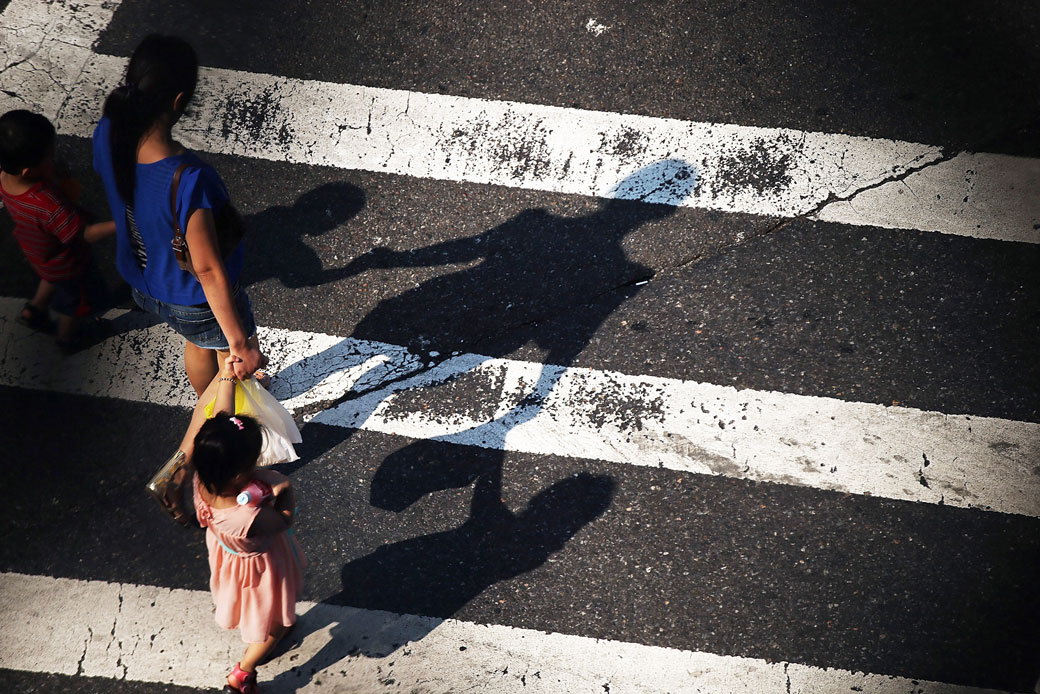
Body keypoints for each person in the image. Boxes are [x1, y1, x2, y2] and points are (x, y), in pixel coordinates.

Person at [92, 34, 267, 395]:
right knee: (221, 352)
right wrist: (239, 344)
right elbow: (205, 267)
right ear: (178, 101)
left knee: (199, 340)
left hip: (144, 282)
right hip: (191, 295)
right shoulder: (187, 179)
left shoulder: (108, 131)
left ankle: (205, 401)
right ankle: (225, 414)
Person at [192, 356, 304, 693]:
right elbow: (283, 521)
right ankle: (243, 672)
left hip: (228, 557)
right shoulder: (248, 515)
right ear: (241, 473)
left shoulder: (206, 477)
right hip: (260, 569)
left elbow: (218, 420)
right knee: (270, 622)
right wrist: (282, 489)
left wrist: (226, 377)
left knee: (250, 607)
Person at [0, 109, 115, 351]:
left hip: (39, 249)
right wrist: (122, 224)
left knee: (50, 275)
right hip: (68, 262)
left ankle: (35, 310)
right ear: (28, 172)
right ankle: (67, 338)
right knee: (76, 302)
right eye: (49, 157)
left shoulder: (5, 177)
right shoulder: (49, 205)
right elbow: (85, 233)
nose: (54, 160)